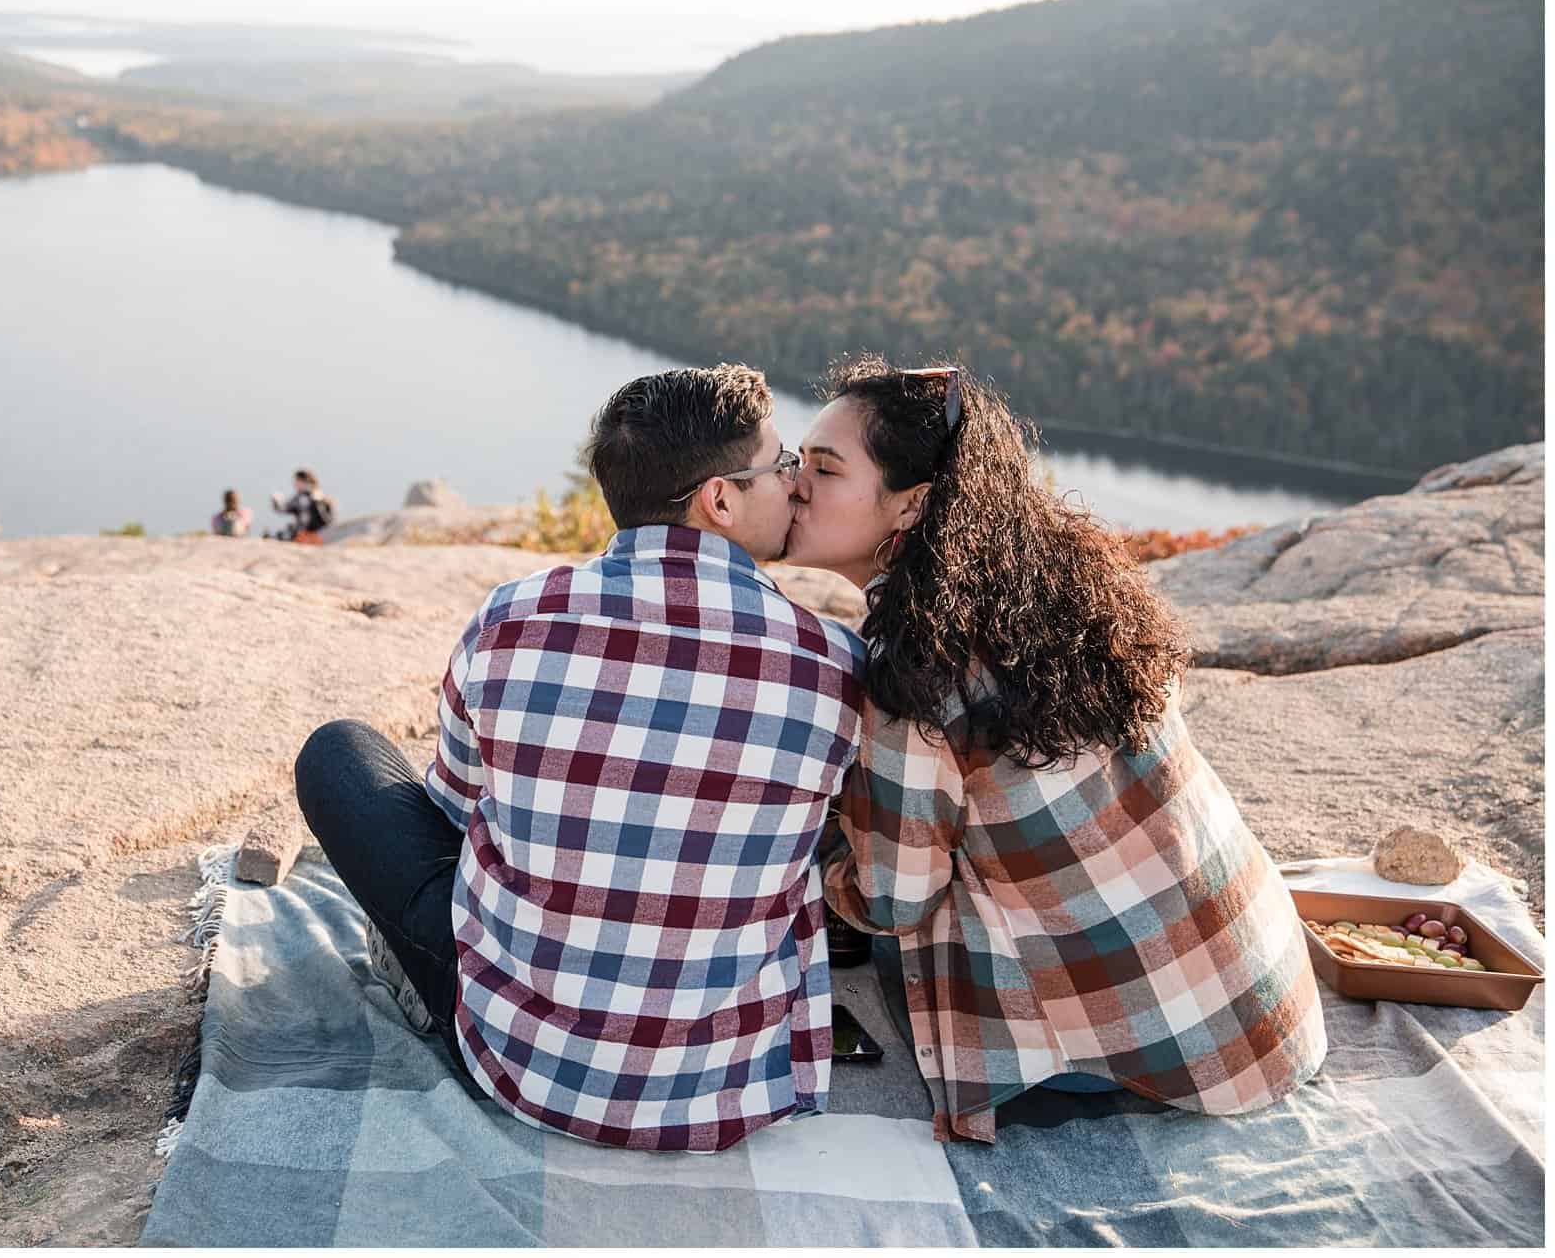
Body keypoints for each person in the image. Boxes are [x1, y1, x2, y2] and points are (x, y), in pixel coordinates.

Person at [294, 364, 866, 1152]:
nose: (796, 483)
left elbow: (457, 812)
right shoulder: (833, 664)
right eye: (781, 466)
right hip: (723, 1091)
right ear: (721, 499)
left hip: (526, 1066)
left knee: (338, 755)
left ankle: (423, 973)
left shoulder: (509, 619)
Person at [782, 355, 1327, 1144]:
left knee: (877, 926)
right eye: (799, 461)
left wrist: (818, 861)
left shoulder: (916, 670)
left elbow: (894, 901)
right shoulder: (1056, 581)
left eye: (825, 470)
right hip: (1261, 1001)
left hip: (1173, 1061)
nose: (797, 483)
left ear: (913, 506)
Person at [269, 468, 334, 544]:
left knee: (278, 536)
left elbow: (285, 508)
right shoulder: (320, 495)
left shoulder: (303, 498)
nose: (294, 484)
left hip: (307, 535)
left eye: (296, 481)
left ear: (302, 481)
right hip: (322, 534)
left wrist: (276, 502)